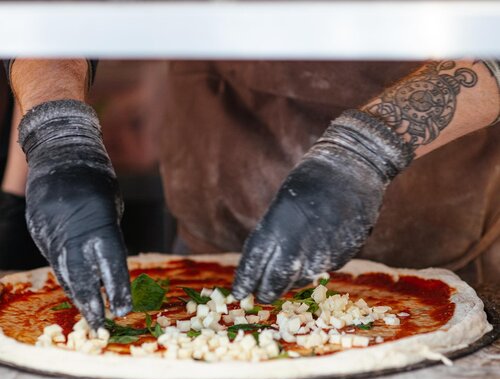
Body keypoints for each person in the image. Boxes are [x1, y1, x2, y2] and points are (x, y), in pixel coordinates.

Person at [3, 58, 499, 330]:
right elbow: (52, 14)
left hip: (436, 247)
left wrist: (368, 149)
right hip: (202, 253)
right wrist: (57, 129)